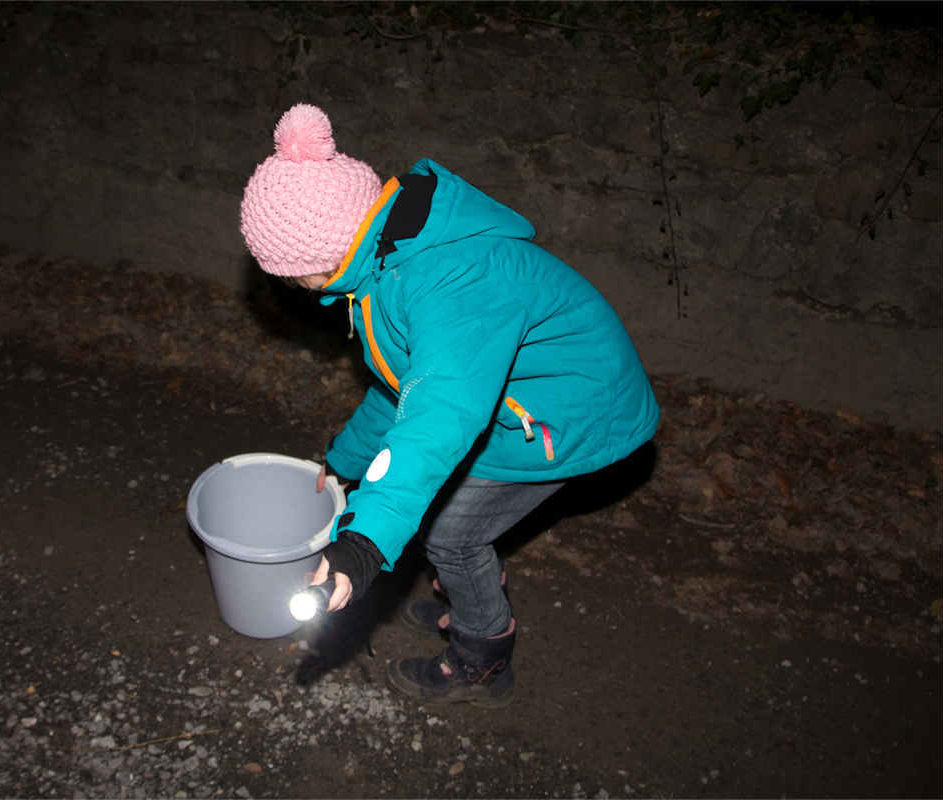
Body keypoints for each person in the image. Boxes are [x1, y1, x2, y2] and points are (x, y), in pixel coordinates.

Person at [239, 104, 659, 707]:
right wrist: (344, 461)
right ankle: (471, 593)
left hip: (575, 412)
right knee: (430, 511)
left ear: (315, 263)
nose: (290, 287)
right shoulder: (386, 260)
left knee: (449, 533)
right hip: (527, 400)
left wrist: (362, 543)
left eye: (286, 275)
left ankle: (482, 654)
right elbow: (404, 388)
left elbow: (437, 416)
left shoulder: (447, 283)